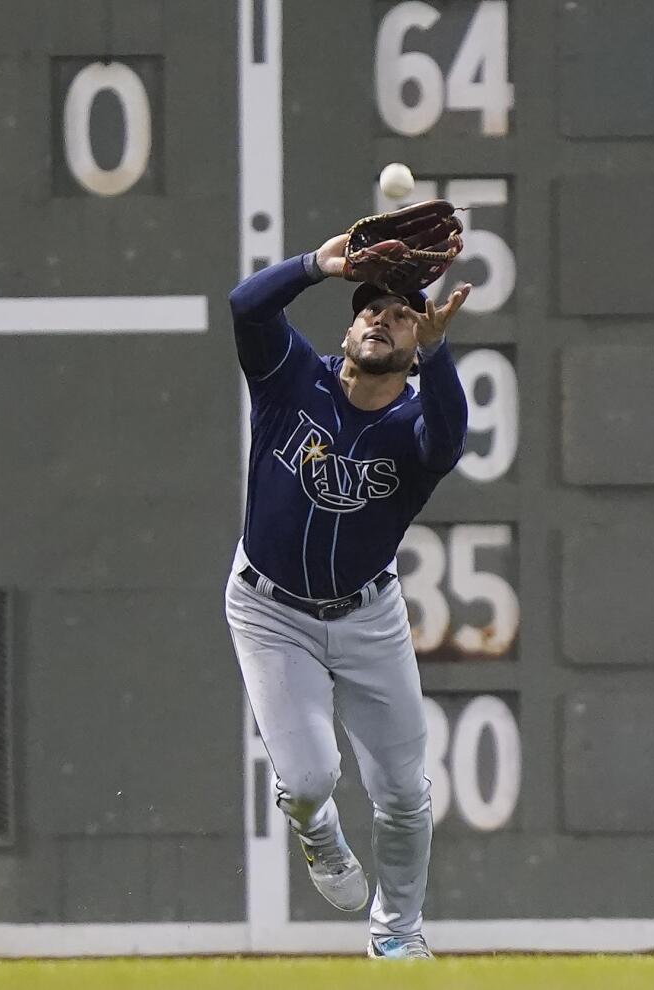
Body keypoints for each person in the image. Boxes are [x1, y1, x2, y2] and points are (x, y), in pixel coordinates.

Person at [224, 228, 471, 960]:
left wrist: (442, 354)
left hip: (368, 615)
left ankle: (397, 937)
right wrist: (314, 266)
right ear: (349, 324)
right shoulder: (292, 378)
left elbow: (451, 436)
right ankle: (313, 826)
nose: (380, 319)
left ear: (415, 344)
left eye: (400, 315)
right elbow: (245, 308)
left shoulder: (415, 426)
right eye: (371, 310)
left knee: (403, 793)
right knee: (309, 781)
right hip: (269, 611)